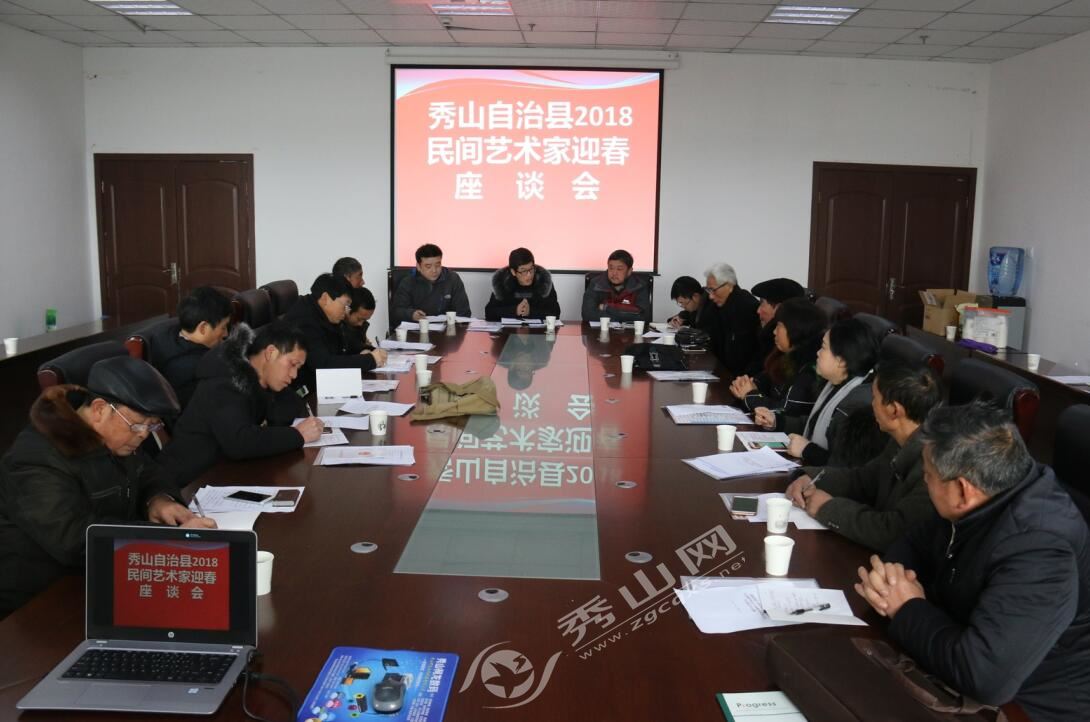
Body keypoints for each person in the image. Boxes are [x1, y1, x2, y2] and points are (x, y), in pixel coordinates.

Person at [855, 403, 1090, 722]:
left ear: (963, 491)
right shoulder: (992, 488)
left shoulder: (1041, 551)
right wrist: (892, 580)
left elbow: (984, 676)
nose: (924, 482)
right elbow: (915, 540)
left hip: (1028, 707)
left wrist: (906, 607)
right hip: (957, 656)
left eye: (928, 476)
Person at [0, 357, 215, 617]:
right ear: (100, 409)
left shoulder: (116, 437)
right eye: (138, 425)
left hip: (103, 576)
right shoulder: (35, 459)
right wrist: (172, 539)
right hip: (39, 601)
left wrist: (159, 500)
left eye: (151, 425)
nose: (144, 434)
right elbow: (75, 539)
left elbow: (149, 472)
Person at [784, 360, 941, 552]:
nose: (871, 404)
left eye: (875, 398)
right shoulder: (899, 441)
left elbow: (892, 531)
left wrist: (827, 508)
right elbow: (862, 479)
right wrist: (810, 477)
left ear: (894, 410)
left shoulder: (934, 466)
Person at [157, 321, 324, 489]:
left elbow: (293, 407)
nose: (294, 375)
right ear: (271, 353)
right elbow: (240, 442)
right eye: (292, 364)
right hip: (187, 483)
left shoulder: (263, 379)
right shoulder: (224, 382)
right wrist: (297, 435)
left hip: (226, 474)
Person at [784, 318, 883, 467]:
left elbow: (845, 467)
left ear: (841, 360)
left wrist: (807, 450)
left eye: (823, 347)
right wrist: (777, 421)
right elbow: (814, 425)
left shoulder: (855, 404)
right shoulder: (836, 383)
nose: (818, 353)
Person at [283, 273, 388, 389]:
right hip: (308, 392)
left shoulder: (325, 315)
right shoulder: (304, 320)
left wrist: (366, 351)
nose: (346, 311)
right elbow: (323, 364)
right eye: (345, 305)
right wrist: (369, 360)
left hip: (325, 386)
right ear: (325, 299)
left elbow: (343, 347)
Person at [732, 297, 826, 425]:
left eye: (779, 326)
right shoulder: (785, 355)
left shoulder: (810, 369)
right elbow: (765, 380)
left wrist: (750, 394)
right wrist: (746, 385)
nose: (774, 332)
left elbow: (785, 412)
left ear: (795, 330)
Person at [146, 286, 232, 408]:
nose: (226, 334)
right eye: (223, 327)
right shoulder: (198, 368)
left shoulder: (167, 338)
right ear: (203, 328)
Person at [702, 262, 761, 376]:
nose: (710, 296)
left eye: (713, 290)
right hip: (720, 370)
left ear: (729, 286)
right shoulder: (717, 305)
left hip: (741, 376)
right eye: (708, 290)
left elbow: (742, 355)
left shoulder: (746, 306)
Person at [391, 243, 471, 323]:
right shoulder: (408, 281)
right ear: (418, 267)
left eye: (438, 265)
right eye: (428, 266)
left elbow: (464, 312)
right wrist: (411, 314)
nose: (434, 270)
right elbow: (396, 311)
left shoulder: (452, 279)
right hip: (418, 327)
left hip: (447, 327)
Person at [484, 247, 561, 321]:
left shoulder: (543, 282)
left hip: (538, 330)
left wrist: (530, 312)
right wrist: (515, 310)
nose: (529, 275)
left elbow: (556, 313)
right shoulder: (503, 282)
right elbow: (489, 313)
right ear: (513, 272)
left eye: (531, 269)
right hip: (509, 329)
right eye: (523, 271)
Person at [581, 249, 651, 323]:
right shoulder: (596, 284)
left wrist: (606, 307)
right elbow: (587, 315)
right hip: (600, 329)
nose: (614, 273)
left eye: (619, 269)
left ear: (629, 271)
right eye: (611, 268)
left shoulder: (639, 286)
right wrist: (626, 314)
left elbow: (644, 316)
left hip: (630, 330)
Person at [750, 277, 807, 369]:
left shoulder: (779, 343)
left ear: (779, 309)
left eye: (762, 304)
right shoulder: (765, 335)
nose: (758, 311)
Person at [343, 286, 376, 355]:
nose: (361, 324)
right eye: (359, 319)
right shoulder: (336, 329)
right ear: (347, 310)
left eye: (365, 320)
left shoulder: (360, 326)